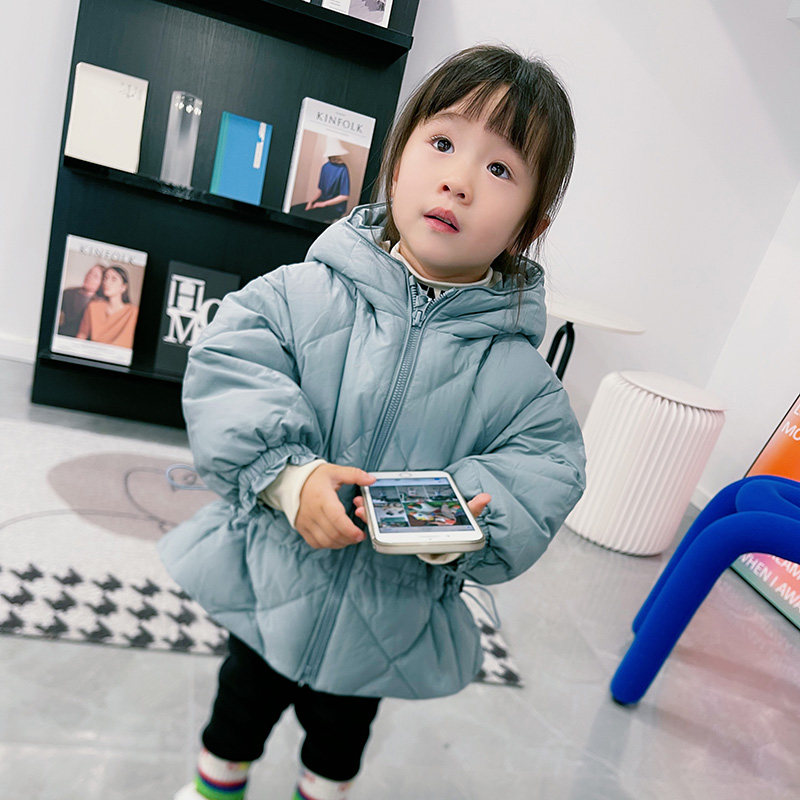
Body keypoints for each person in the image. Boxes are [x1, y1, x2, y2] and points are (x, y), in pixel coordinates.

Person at [160, 43, 586, 800]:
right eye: (443, 143)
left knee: (337, 747)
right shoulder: (299, 294)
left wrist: (456, 522)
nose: (459, 180)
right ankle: (214, 787)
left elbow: (543, 468)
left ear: (529, 225)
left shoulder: (521, 377)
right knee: (236, 713)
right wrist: (289, 478)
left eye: (499, 168)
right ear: (396, 163)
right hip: (270, 586)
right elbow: (232, 367)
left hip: (384, 624)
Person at [76, 265, 139, 349]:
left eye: (114, 279)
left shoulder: (134, 312)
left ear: (123, 287)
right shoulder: (93, 307)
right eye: (105, 278)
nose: (107, 282)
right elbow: (81, 335)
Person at [56, 264, 104, 337]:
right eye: (89, 272)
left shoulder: (100, 303)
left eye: (95, 276)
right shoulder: (68, 293)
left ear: (101, 283)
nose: (89, 276)